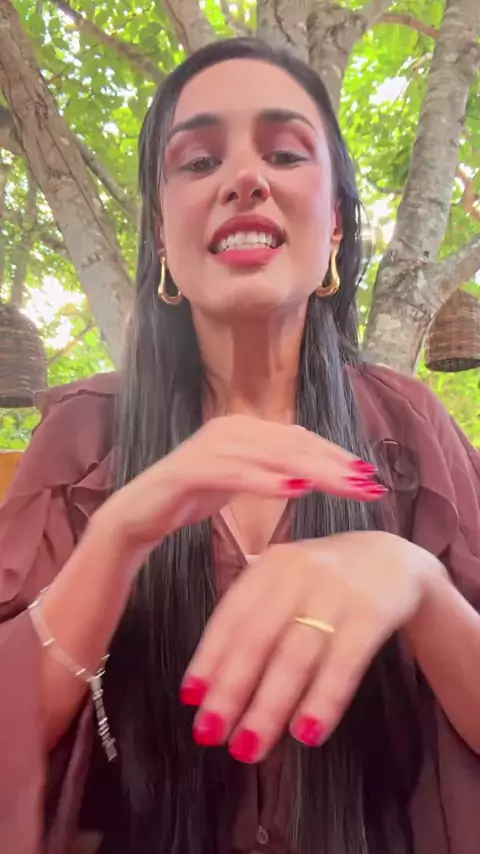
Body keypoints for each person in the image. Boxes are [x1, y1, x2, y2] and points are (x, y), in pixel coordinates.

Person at [0, 36, 479, 854]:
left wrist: (423, 588)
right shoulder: (81, 435)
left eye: (285, 153)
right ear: (162, 240)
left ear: (335, 226)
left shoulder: (413, 428)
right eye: (198, 162)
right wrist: (113, 541)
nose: (244, 179)